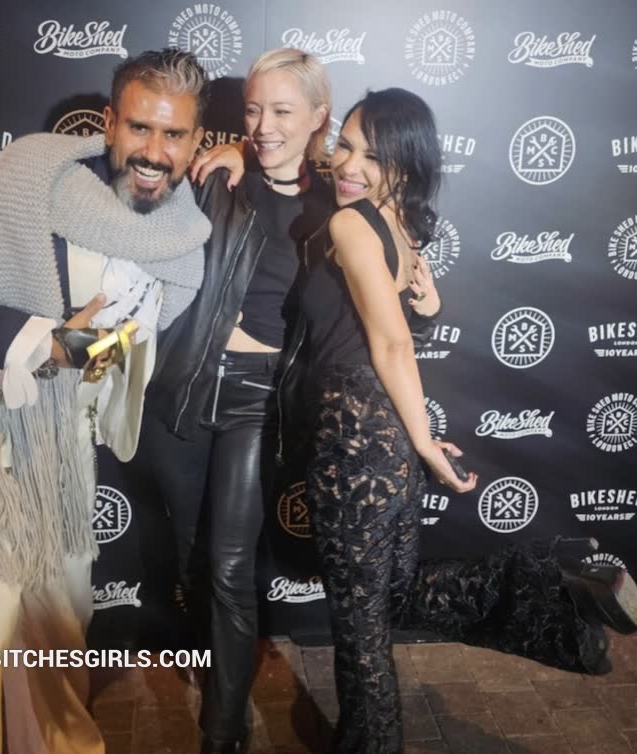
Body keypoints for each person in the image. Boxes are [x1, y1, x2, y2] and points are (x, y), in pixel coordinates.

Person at [299, 88, 637, 753]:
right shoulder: (399, 227)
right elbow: (396, 325)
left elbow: (391, 344)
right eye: (346, 145)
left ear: (406, 166)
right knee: (393, 600)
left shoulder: (351, 224)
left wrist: (426, 444)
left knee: (362, 635)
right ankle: (559, 587)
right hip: (386, 447)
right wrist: (429, 313)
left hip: (352, 450)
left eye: (373, 156)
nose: (349, 164)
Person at [0, 49, 212, 754]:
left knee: (58, 617)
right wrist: (39, 342)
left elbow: (125, 342)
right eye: (139, 127)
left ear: (197, 141)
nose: (154, 151)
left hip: (70, 443)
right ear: (109, 123)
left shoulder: (181, 232)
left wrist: (80, 354)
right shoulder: (32, 182)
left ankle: (58, 744)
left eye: (174, 134)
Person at [127, 48, 348, 754]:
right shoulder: (218, 180)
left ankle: (220, 731)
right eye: (253, 111)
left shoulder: (335, 208)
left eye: (282, 111)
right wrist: (233, 154)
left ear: (318, 117)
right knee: (194, 559)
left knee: (228, 564)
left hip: (257, 401)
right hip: (184, 388)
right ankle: (220, 675)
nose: (263, 126)